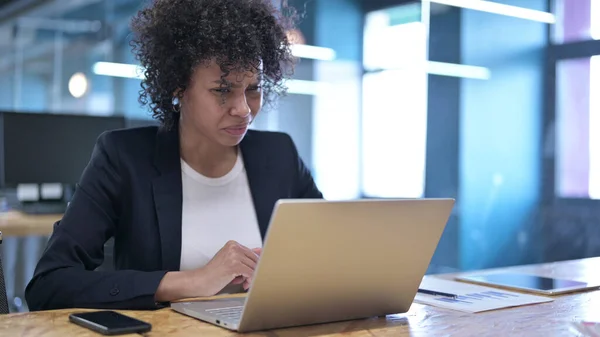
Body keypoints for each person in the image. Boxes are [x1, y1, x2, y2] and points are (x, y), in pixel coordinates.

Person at [25, 0, 322, 311]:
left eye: (253, 88)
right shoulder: (124, 158)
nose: (244, 110)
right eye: (222, 90)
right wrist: (190, 282)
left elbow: (336, 252)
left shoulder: (279, 154)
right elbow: (49, 284)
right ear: (179, 87)